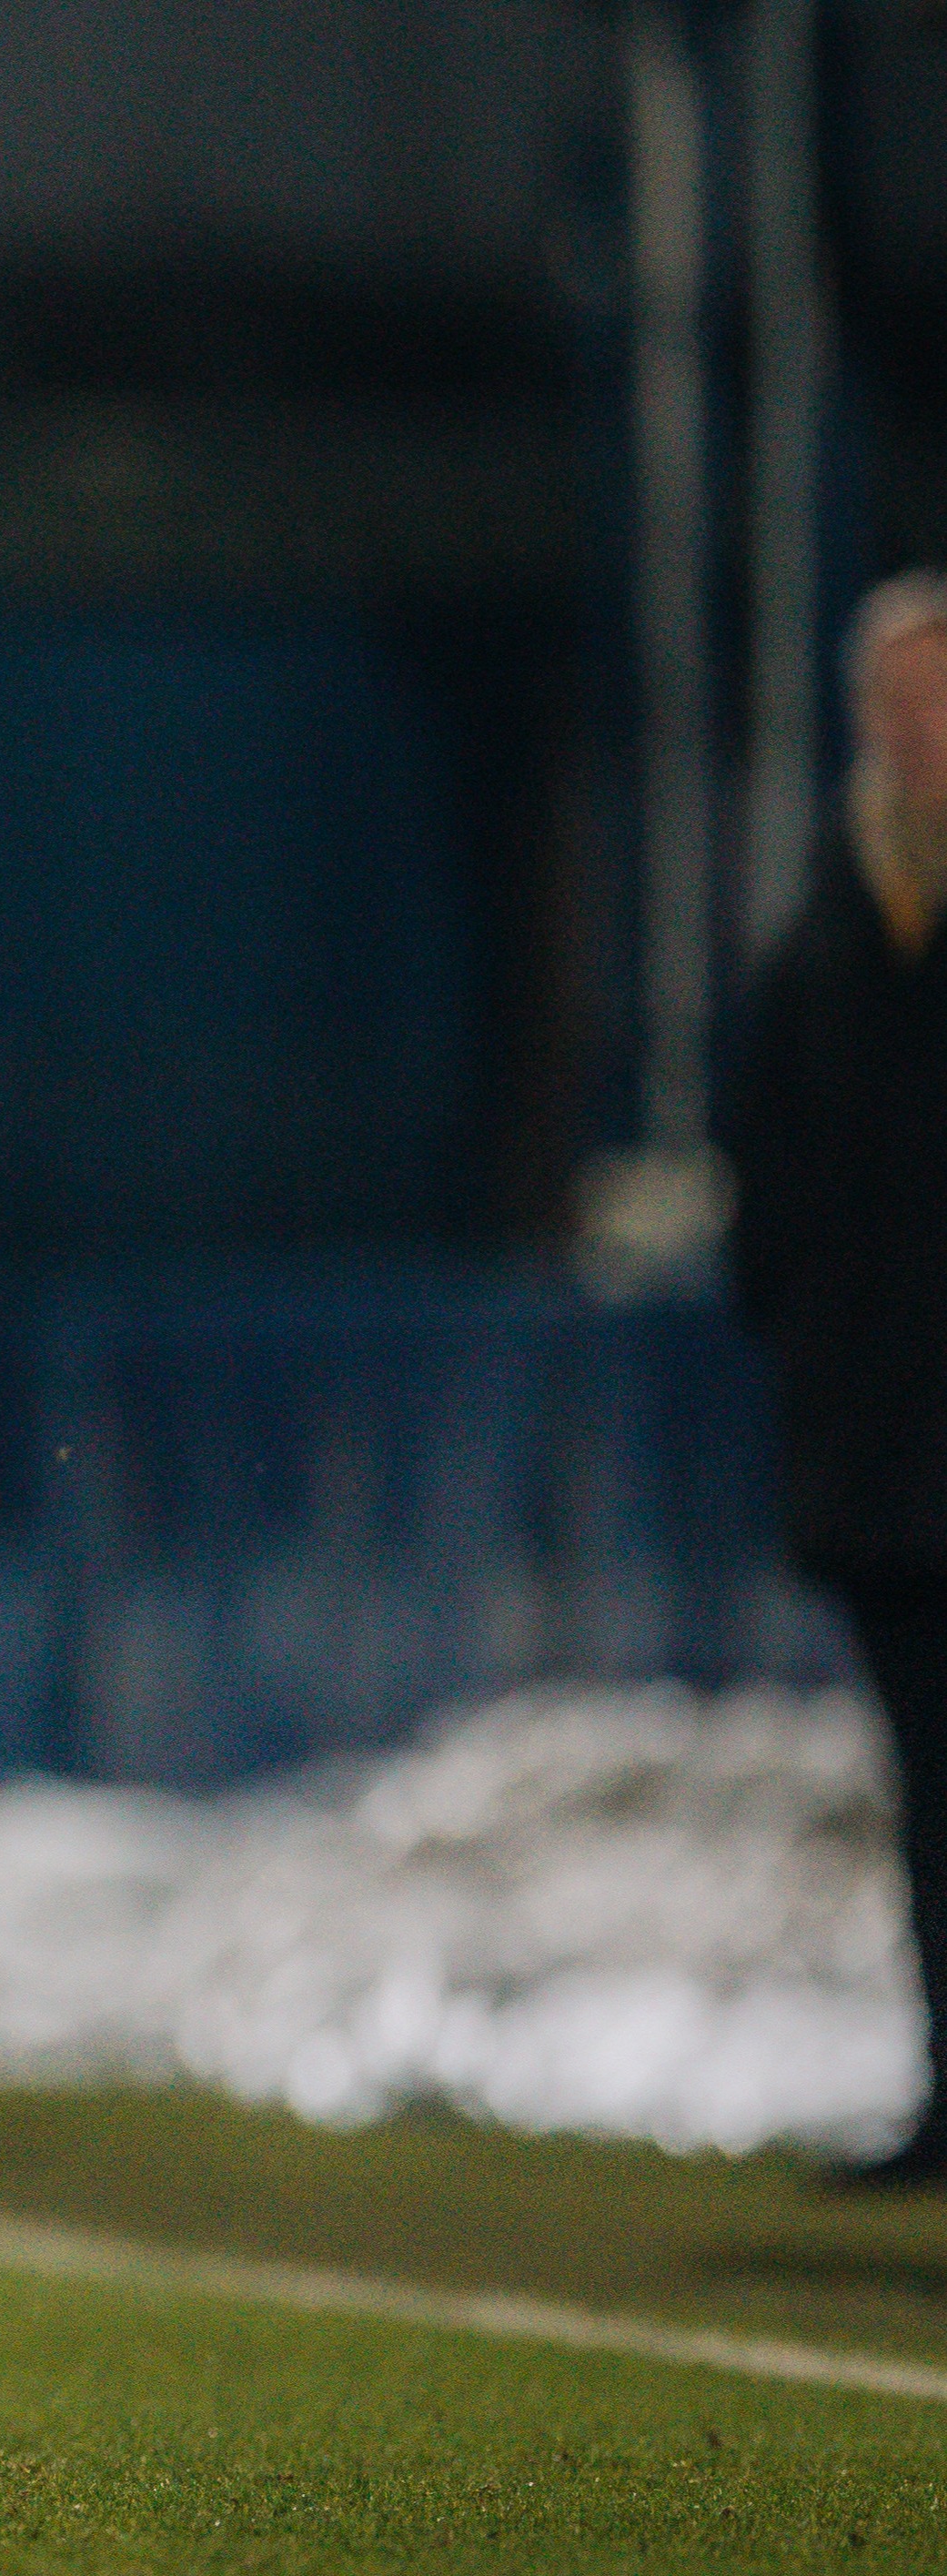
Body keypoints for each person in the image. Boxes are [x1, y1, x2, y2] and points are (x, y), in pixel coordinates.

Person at [720, 569, 947, 2192]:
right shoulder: (830, 905)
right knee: (929, 1782)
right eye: (896, 701)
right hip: (883, 1436)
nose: (914, 730)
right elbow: (770, 1155)